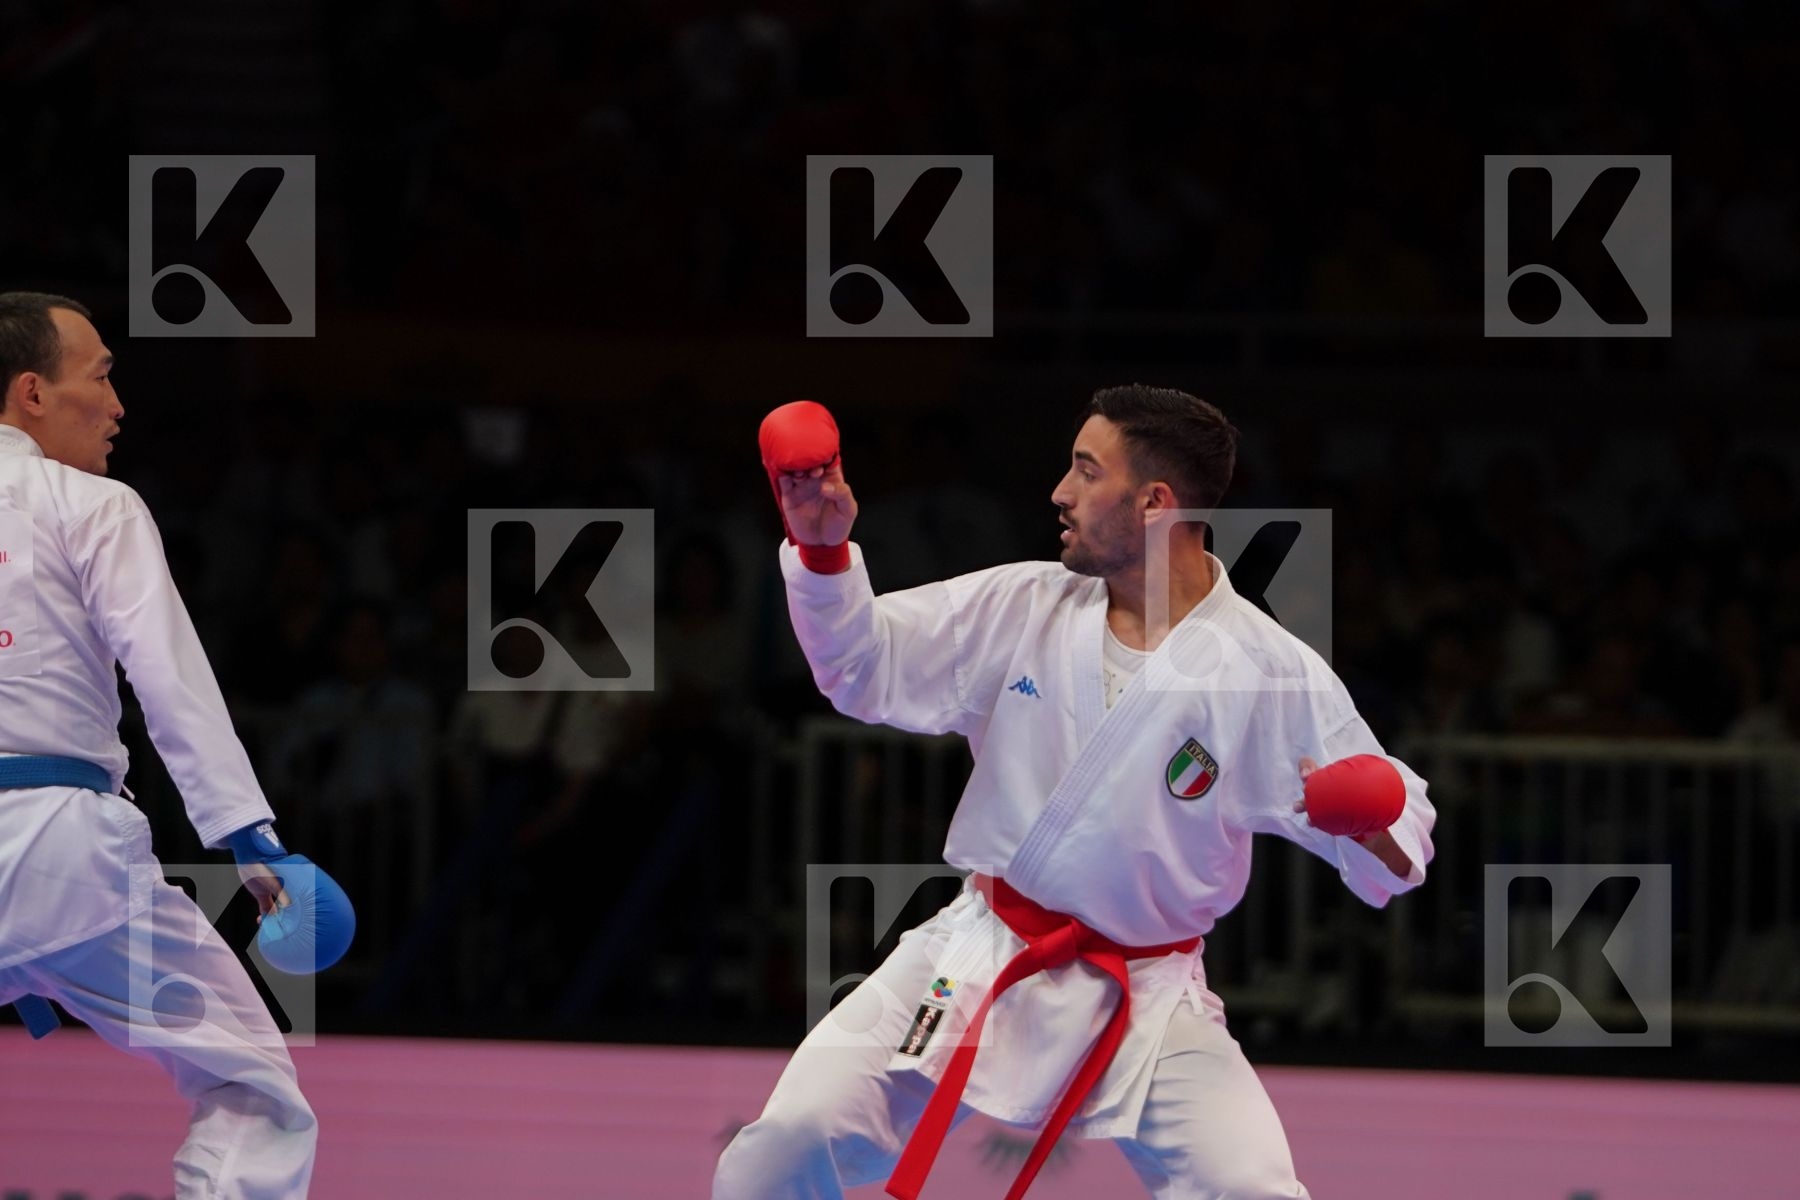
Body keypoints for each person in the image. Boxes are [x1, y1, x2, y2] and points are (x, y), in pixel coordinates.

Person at [717, 387, 1436, 1199]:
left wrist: (1372, 818)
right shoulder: (1024, 604)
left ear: (1155, 502)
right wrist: (822, 553)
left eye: (1086, 472)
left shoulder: (1265, 672)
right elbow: (865, 665)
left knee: (1254, 1191)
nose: (1059, 491)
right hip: (982, 953)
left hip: (1149, 998)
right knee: (784, 1145)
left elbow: (1401, 849)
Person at [0, 292, 319, 1196]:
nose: (118, 405)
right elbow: (168, 674)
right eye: (99, 377)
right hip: (71, 865)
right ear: (31, 392)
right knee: (251, 1084)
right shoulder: (91, 504)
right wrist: (247, 836)